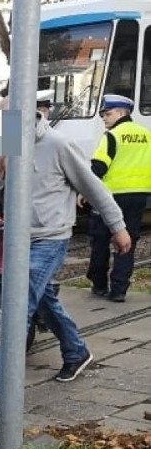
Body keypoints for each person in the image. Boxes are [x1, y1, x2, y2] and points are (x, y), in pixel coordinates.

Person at [0, 104, 132, 413]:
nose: (3, 121)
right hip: (15, 239)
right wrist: (0, 170)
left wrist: (118, 227)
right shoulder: (2, 139)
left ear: (29, 113)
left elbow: (93, 187)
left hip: (50, 237)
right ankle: (76, 352)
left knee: (19, 304)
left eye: (8, 115)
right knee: (42, 299)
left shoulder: (58, 144)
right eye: (0, 116)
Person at [85, 93, 151, 302]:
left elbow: (98, 167)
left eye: (107, 113)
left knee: (100, 240)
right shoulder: (146, 134)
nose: (103, 117)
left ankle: (99, 284)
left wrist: (85, 191)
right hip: (139, 196)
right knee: (127, 242)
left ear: (122, 113)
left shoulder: (112, 135)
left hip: (110, 197)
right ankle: (119, 289)